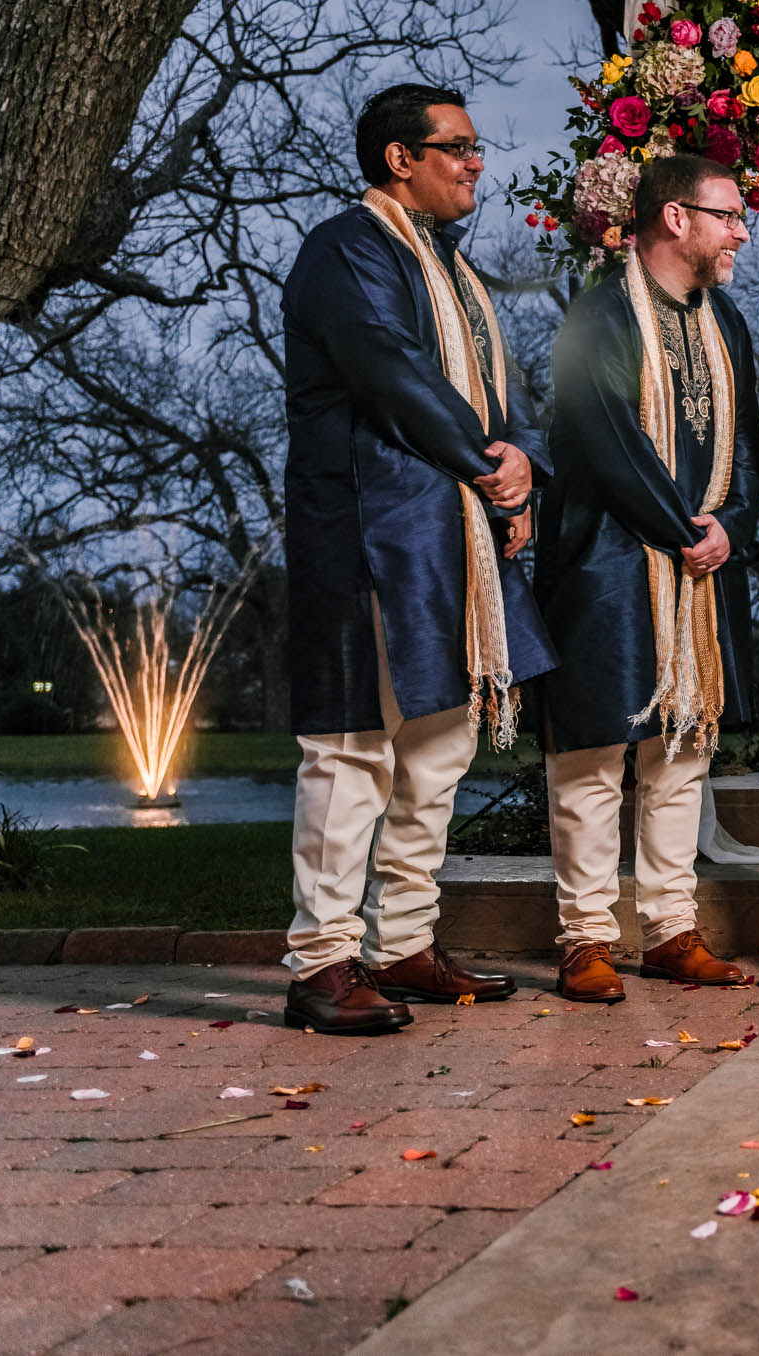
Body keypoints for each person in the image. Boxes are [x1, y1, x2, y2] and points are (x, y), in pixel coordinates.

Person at [277, 84, 554, 1034]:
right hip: (366, 532)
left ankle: (402, 943)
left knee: (437, 748)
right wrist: (492, 465)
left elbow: (495, 394)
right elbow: (395, 377)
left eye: (477, 147)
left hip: (447, 533)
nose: (478, 162)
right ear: (401, 159)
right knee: (351, 749)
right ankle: (319, 964)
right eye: (459, 147)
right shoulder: (347, 251)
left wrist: (522, 458)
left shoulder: (452, 269)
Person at [536, 153, 759, 1004]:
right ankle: (586, 939)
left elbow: (751, 450)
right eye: (729, 214)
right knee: (593, 756)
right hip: (606, 561)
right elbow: (603, 442)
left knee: (681, 751)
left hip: (698, 564)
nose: (742, 230)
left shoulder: (726, 321)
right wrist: (682, 531)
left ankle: (671, 930)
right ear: (676, 219)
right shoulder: (597, 315)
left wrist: (729, 526)